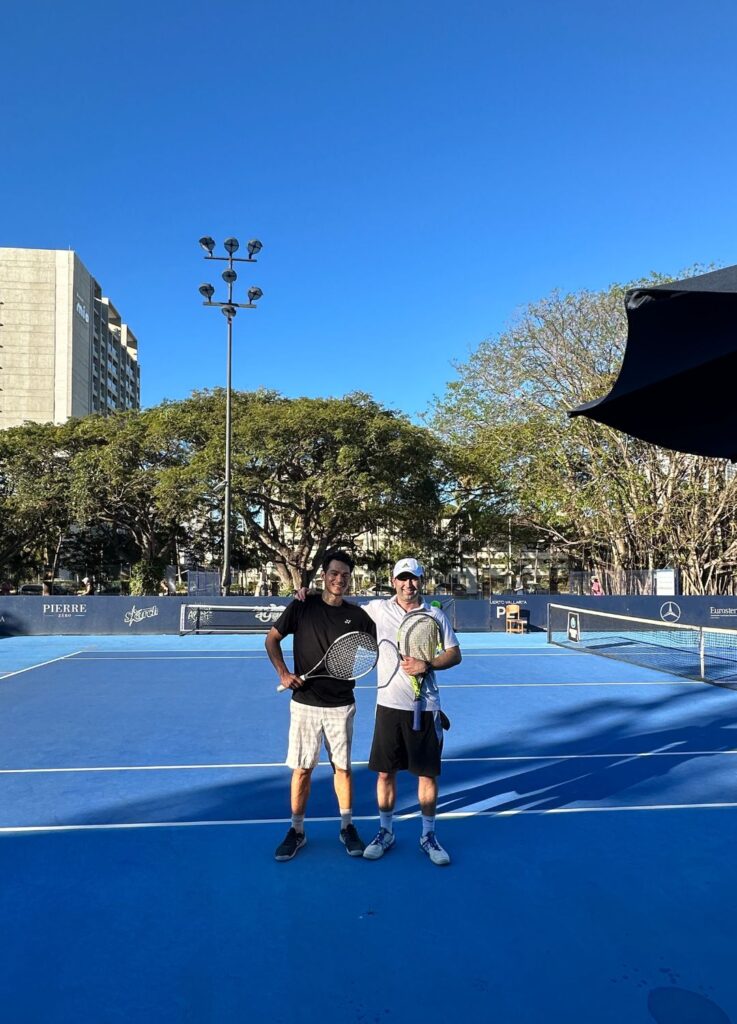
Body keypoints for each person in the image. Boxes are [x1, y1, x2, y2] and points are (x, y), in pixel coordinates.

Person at [265, 549, 376, 862]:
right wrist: (284, 673)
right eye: (334, 573)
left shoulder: (360, 617)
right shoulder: (302, 605)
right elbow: (271, 639)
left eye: (345, 575)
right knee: (302, 770)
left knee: (342, 769)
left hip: (342, 705)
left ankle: (346, 826)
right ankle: (297, 830)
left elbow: (370, 652)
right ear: (324, 575)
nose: (339, 579)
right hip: (305, 704)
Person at [361, 558, 462, 866]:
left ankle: (428, 835)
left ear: (422, 580)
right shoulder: (377, 610)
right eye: (402, 579)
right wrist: (306, 595)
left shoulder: (435, 615)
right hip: (388, 706)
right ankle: (386, 831)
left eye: (414, 579)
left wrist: (428, 664)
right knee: (385, 772)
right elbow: (338, 610)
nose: (408, 584)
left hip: (426, 705)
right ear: (393, 581)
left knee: (427, 774)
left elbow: (454, 654)